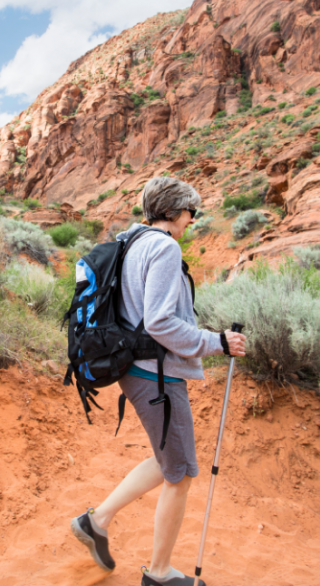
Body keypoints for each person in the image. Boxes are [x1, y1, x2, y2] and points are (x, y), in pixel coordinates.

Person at [70, 176, 247, 586]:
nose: (191, 220)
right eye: (190, 212)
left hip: (136, 370)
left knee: (169, 461)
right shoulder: (165, 247)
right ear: (173, 211)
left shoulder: (133, 242)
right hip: (157, 376)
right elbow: (161, 321)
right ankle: (161, 573)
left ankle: (96, 520)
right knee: (181, 473)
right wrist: (216, 341)